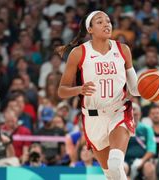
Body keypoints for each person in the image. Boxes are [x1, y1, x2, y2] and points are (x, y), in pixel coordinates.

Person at [58, 10, 140, 180]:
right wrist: (78, 90)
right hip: (92, 118)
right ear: (90, 29)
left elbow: (135, 89)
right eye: (100, 22)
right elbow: (62, 90)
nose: (106, 24)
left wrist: (153, 90)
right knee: (111, 174)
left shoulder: (123, 49)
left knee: (116, 163)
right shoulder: (79, 53)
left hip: (118, 111)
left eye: (108, 21)